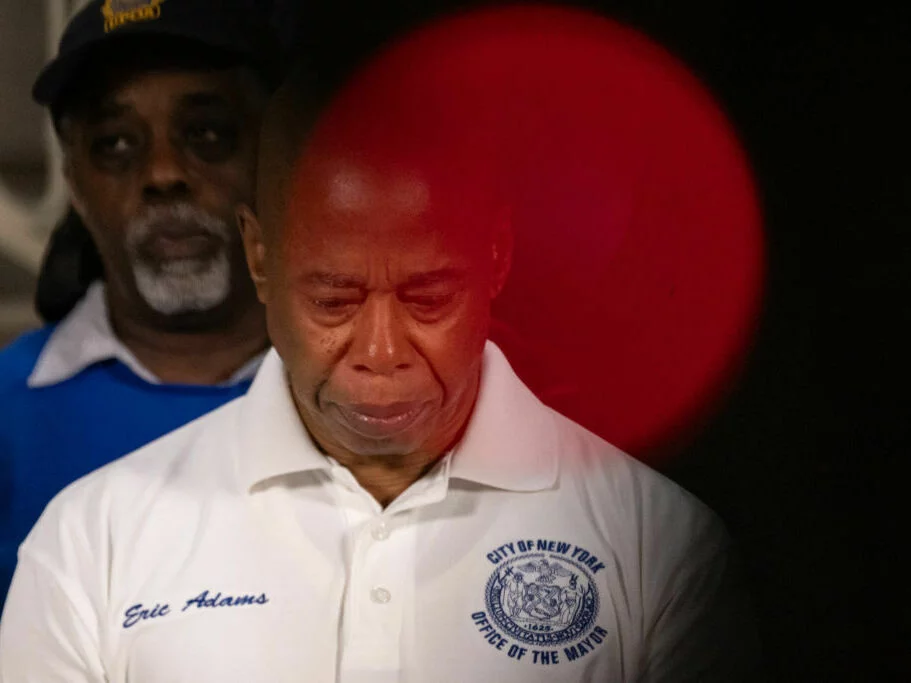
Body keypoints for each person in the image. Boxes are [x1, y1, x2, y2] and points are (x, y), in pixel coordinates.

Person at [0, 57, 760, 682]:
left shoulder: (657, 545)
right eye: (332, 299)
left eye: (428, 297)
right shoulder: (92, 541)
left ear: (496, 257)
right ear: (260, 259)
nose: (382, 349)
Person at [0, 0, 284, 609]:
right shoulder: (6, 411)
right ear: (74, 183)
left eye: (206, 133)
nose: (162, 172)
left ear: (280, 156)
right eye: (116, 143)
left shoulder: (382, 396)